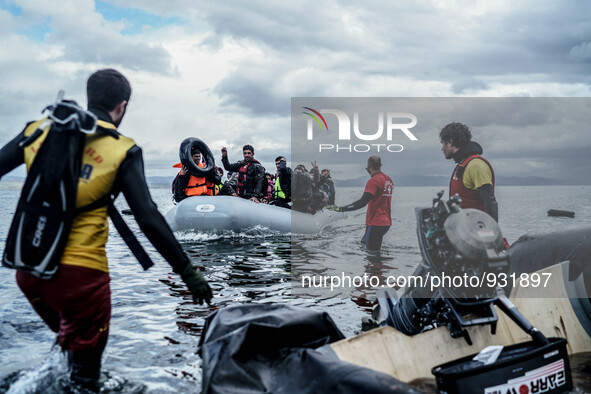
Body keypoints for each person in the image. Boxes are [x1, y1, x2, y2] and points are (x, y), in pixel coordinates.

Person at [0, 69, 213, 390]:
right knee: (86, 380)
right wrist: (187, 272)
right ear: (122, 106)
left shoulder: (40, 129)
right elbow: (148, 217)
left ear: (91, 97)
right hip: (81, 281)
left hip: (29, 272)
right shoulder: (122, 149)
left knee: (69, 351)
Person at [439, 122, 498, 222]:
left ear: (450, 141)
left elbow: (489, 200)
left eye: (443, 143)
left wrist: (492, 232)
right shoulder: (463, 164)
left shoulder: (476, 165)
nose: (442, 148)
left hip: (478, 232)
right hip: (465, 231)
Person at [335, 155, 393, 251]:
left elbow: (362, 202)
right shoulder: (388, 180)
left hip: (376, 222)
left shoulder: (373, 181)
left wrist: (342, 209)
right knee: (365, 243)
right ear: (380, 165)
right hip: (386, 223)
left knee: (372, 255)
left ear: (368, 166)